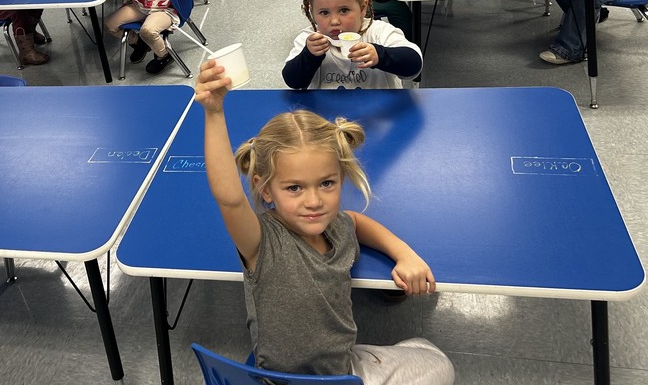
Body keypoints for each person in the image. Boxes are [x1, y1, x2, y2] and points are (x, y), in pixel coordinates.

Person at [194, 64, 455, 383]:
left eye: (327, 183)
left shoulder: (338, 227)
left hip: (319, 370)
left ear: (341, 177)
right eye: (294, 188)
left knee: (422, 353)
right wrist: (214, 113)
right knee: (436, 358)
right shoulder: (264, 243)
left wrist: (404, 254)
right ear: (266, 190)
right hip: (333, 378)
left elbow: (356, 222)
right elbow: (230, 199)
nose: (314, 201)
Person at [283, 0, 423, 89]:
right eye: (324, 13)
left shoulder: (378, 32)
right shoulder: (309, 39)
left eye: (344, 10)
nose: (334, 21)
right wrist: (309, 56)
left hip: (379, 113)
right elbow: (293, 82)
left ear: (363, 8)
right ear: (312, 12)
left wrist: (380, 55)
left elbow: (414, 64)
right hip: (326, 114)